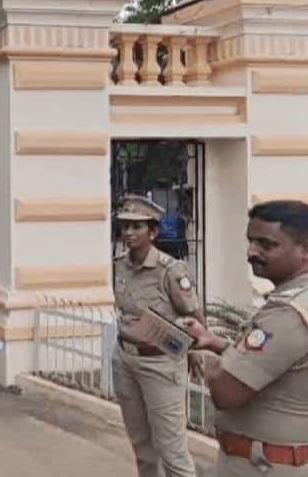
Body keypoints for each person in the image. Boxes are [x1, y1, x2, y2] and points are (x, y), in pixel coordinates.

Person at [179, 200, 308, 476]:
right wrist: (214, 342)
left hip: (265, 466)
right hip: (278, 460)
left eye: (266, 245)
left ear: (307, 250)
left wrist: (204, 360)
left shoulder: (289, 315)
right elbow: (280, 364)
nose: (251, 252)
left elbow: (226, 393)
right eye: (250, 242)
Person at [112, 194, 202, 477]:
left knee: (171, 449)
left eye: (137, 226)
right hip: (126, 360)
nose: (129, 233)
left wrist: (196, 352)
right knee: (142, 448)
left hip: (160, 364)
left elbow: (195, 315)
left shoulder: (171, 271)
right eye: (125, 226)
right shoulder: (119, 265)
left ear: (153, 231)